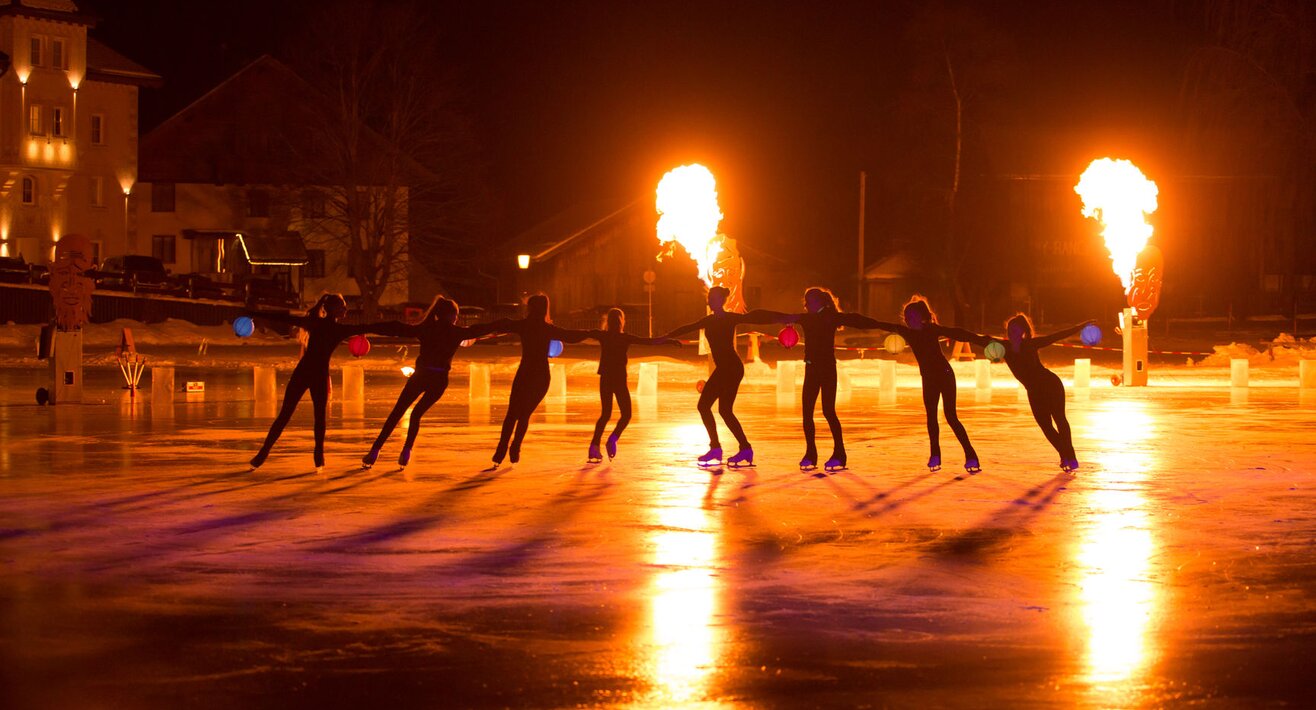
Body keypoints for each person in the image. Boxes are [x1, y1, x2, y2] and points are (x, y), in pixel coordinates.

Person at [247, 294, 395, 471]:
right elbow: (372, 327)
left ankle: (263, 454)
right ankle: (318, 456)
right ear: (334, 310)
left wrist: (254, 314)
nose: (346, 309)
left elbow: (284, 317)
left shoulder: (314, 323)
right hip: (318, 375)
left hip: (302, 373)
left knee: (285, 416)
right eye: (343, 306)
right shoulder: (337, 329)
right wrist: (400, 328)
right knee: (318, 418)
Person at [362, 297, 509, 470]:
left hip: (421, 375)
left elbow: (396, 328)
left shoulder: (426, 329)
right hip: (439, 380)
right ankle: (406, 452)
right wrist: (508, 325)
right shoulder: (457, 332)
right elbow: (483, 329)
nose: (456, 318)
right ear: (452, 315)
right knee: (416, 415)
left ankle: (375, 450)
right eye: (456, 314)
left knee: (397, 412)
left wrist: (368, 328)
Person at [867, 296, 989, 474]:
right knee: (931, 416)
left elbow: (958, 333)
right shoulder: (907, 332)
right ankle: (935, 454)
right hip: (928, 379)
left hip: (945, 375)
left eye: (911, 316)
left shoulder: (931, 329)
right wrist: (853, 320)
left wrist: (983, 339)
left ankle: (971, 455)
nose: (908, 320)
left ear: (920, 316)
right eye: (906, 317)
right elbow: (880, 324)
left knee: (951, 416)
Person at [770, 287, 886, 472]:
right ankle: (811, 453)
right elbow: (779, 316)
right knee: (807, 412)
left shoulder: (830, 317)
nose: (806, 304)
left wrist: (884, 325)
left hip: (827, 369)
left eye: (809, 301)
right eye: (805, 301)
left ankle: (839, 452)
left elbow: (856, 320)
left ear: (820, 302)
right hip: (811, 369)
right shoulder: (807, 318)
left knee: (828, 411)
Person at [663, 286, 778, 468]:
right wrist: (666, 337)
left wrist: (783, 318)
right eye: (708, 297)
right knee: (724, 410)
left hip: (730, 368)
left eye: (711, 297)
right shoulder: (709, 320)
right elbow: (688, 327)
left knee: (705, 406)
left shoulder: (729, 318)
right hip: (727, 368)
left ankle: (719, 448)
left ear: (718, 300)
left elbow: (753, 317)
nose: (708, 300)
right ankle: (743, 448)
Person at [489, 294, 590, 468]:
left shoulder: (524, 325)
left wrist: (474, 332)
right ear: (545, 308)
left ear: (530, 308)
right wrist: (595, 333)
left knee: (512, 413)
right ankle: (515, 447)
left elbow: (502, 324)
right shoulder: (547, 328)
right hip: (541, 376)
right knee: (524, 414)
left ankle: (502, 448)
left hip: (525, 373)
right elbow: (571, 336)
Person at [985, 314, 1093, 473]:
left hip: (1050, 384)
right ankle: (1066, 455)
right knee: (1047, 427)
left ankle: (1070, 456)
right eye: (1009, 330)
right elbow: (978, 339)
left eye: (1014, 330)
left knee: (1060, 419)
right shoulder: (1004, 347)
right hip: (1035, 391)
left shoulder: (1030, 344)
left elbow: (1056, 336)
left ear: (1022, 331)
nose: (1011, 333)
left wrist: (1080, 326)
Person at [583, 308, 680, 463]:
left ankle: (594, 446)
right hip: (619, 380)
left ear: (608, 321)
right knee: (626, 414)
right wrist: (669, 340)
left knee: (605, 414)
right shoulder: (625, 338)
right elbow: (649, 342)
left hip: (606, 379)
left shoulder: (603, 336)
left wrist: (555, 333)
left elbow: (581, 334)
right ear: (622, 321)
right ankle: (612, 439)